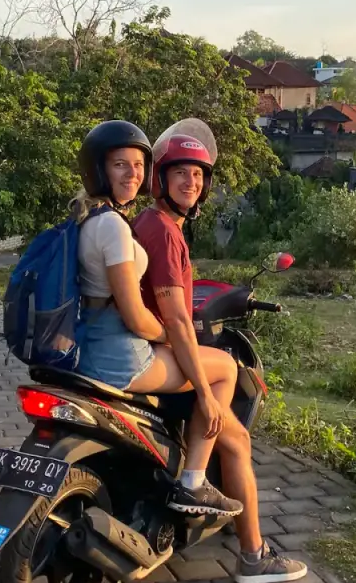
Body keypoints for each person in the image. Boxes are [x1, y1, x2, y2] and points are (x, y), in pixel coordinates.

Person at [131, 120, 308, 583]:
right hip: (157, 357)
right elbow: (174, 318)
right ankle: (251, 553)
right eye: (180, 174)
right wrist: (207, 396)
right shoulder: (165, 233)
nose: (190, 182)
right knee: (236, 426)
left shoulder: (147, 223)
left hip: (139, 347)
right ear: (160, 181)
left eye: (198, 175)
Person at [71, 120, 245, 520]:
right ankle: (194, 482)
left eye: (137, 165)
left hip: (90, 343)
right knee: (223, 370)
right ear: (100, 170)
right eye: (120, 165)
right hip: (118, 354)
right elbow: (135, 316)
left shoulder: (89, 218)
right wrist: (174, 341)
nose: (131, 174)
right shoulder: (114, 227)